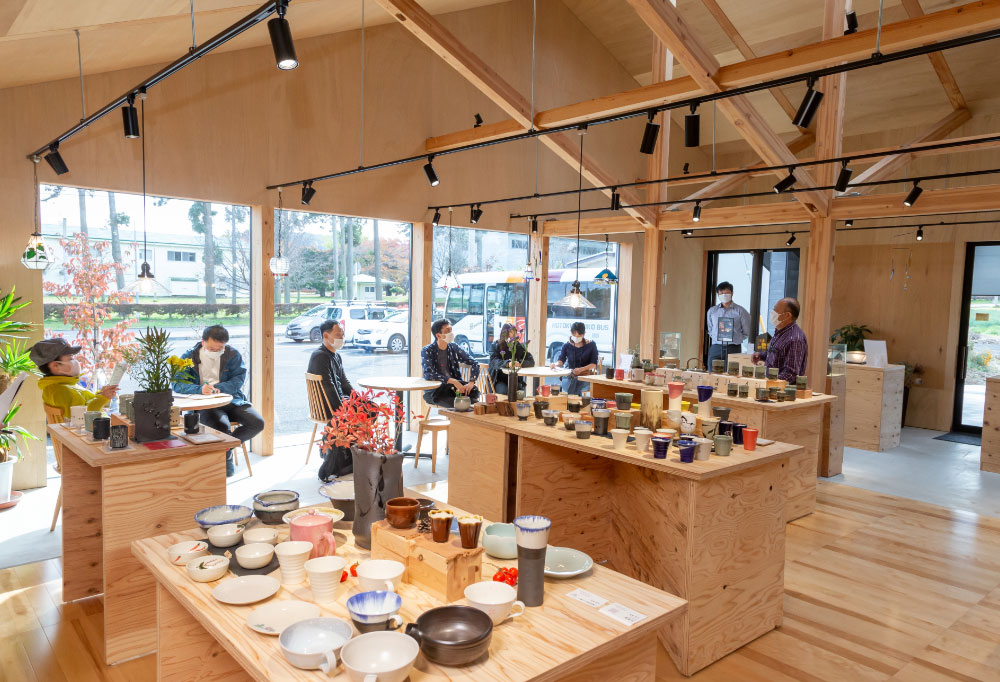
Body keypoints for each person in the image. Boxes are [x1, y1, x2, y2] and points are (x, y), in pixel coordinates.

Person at [173, 325, 264, 477]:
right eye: (211, 348)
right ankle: (225, 460)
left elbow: (238, 379)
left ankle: (225, 450)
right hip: (206, 405)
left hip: (232, 400)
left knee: (257, 423)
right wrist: (200, 389)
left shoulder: (232, 354)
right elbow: (177, 384)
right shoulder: (188, 357)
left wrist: (219, 388)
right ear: (203, 342)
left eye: (220, 349)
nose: (216, 351)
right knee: (222, 427)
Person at [307, 320, 356, 481]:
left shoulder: (336, 355)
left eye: (342, 334)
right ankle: (332, 452)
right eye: (338, 335)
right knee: (359, 413)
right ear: (326, 336)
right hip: (326, 406)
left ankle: (347, 455)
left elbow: (344, 382)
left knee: (370, 407)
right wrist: (342, 410)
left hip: (339, 401)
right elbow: (329, 389)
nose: (341, 337)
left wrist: (358, 398)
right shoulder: (320, 356)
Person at [31, 338, 119, 418]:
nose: (76, 362)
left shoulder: (58, 387)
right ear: (56, 366)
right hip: (95, 429)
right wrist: (102, 398)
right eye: (70, 359)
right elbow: (81, 418)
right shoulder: (62, 392)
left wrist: (102, 395)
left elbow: (85, 404)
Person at [421, 318, 480, 408]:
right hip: (436, 390)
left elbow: (474, 363)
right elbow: (428, 374)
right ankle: (460, 402)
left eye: (451, 330)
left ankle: (461, 401)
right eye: (447, 331)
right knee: (462, 403)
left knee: (474, 392)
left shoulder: (454, 347)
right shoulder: (427, 350)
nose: (451, 333)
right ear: (438, 335)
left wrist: (471, 382)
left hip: (454, 388)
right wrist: (452, 381)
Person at [753, 297, 808, 382]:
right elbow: (777, 354)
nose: (772, 312)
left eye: (776, 310)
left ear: (787, 315)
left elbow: (791, 374)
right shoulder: (780, 332)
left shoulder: (795, 339)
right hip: (770, 385)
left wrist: (771, 382)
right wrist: (761, 355)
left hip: (782, 389)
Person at [706, 281, 751, 369]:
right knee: (712, 373)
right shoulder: (712, 311)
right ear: (718, 294)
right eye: (721, 293)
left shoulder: (741, 311)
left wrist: (735, 338)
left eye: (726, 293)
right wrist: (716, 337)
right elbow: (710, 329)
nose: (724, 295)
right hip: (716, 347)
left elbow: (746, 332)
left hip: (733, 348)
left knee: (732, 373)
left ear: (732, 293)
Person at [550, 321, 598, 396]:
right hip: (570, 375)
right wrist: (555, 364)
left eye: (579, 336)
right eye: (574, 335)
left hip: (585, 375)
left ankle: (570, 399)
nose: (576, 338)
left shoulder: (591, 345)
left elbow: (593, 364)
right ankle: (575, 400)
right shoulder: (566, 345)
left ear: (584, 334)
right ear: (571, 333)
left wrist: (581, 369)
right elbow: (561, 361)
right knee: (571, 382)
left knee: (576, 383)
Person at [488, 323, 535, 397]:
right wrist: (508, 363)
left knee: (519, 393)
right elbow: (494, 362)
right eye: (511, 333)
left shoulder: (518, 346)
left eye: (515, 333)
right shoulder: (495, 346)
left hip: (515, 379)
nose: (513, 335)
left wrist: (519, 363)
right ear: (504, 334)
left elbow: (531, 361)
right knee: (507, 391)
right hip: (499, 381)